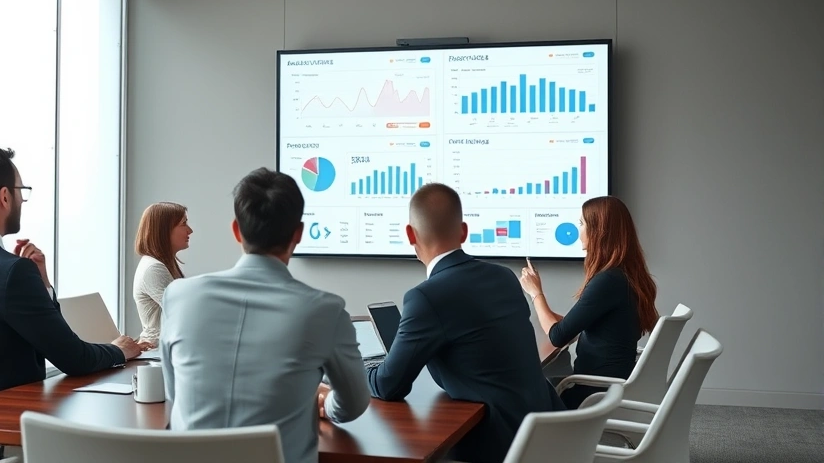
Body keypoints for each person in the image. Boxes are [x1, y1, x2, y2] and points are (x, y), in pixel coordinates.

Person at [0, 147, 146, 463]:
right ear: (5, 196)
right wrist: (120, 349)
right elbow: (74, 358)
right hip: (4, 439)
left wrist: (41, 284)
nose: (22, 201)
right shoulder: (8, 271)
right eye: (21, 192)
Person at [158, 168, 369, 463]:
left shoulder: (179, 296)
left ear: (236, 231)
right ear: (298, 233)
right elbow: (354, 405)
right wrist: (321, 400)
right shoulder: (325, 310)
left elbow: (176, 395)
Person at [357, 183, 563, 463]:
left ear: (409, 234)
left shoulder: (425, 297)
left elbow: (388, 386)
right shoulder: (504, 278)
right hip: (546, 437)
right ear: (464, 231)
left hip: (496, 447)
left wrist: (350, 370)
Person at [519, 195, 659, 409]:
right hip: (609, 384)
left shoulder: (608, 281)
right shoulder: (625, 275)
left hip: (592, 392)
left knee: (522, 393)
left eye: (582, 224)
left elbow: (558, 336)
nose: (579, 230)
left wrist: (535, 293)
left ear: (599, 231)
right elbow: (577, 325)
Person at [133, 202, 193, 344]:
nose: (190, 230)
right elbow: (183, 313)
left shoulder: (163, 264)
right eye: (184, 224)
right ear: (164, 230)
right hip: (158, 351)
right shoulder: (153, 268)